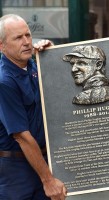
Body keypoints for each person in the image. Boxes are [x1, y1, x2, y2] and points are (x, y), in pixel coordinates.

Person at [0, 14, 67, 199]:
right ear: (1, 46)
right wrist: (48, 180)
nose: (27, 42)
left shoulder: (32, 65)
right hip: (17, 173)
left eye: (28, 35)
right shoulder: (4, 81)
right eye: (18, 38)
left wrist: (52, 58)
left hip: (43, 162)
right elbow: (22, 136)